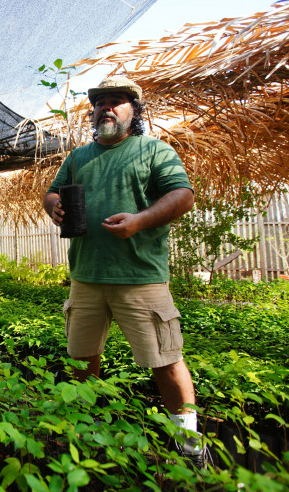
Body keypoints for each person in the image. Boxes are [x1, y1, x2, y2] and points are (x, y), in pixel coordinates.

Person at [43, 75, 209, 467]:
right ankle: (84, 433)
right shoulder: (78, 157)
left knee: (165, 360)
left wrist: (140, 220)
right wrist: (53, 206)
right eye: (100, 102)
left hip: (140, 278)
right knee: (81, 358)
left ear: (134, 111)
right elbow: (53, 191)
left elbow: (182, 196)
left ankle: (189, 447)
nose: (107, 107)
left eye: (117, 101)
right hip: (86, 277)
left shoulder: (153, 151)